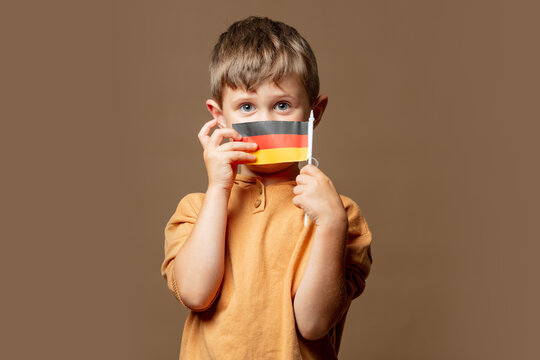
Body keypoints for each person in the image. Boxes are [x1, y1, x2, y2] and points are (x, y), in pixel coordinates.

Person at [161, 16, 373, 360]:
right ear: (219, 116)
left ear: (314, 113)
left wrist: (332, 224)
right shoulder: (196, 210)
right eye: (246, 107)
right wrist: (218, 189)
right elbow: (196, 294)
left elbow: (313, 323)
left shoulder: (339, 214)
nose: (267, 122)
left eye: (282, 105)